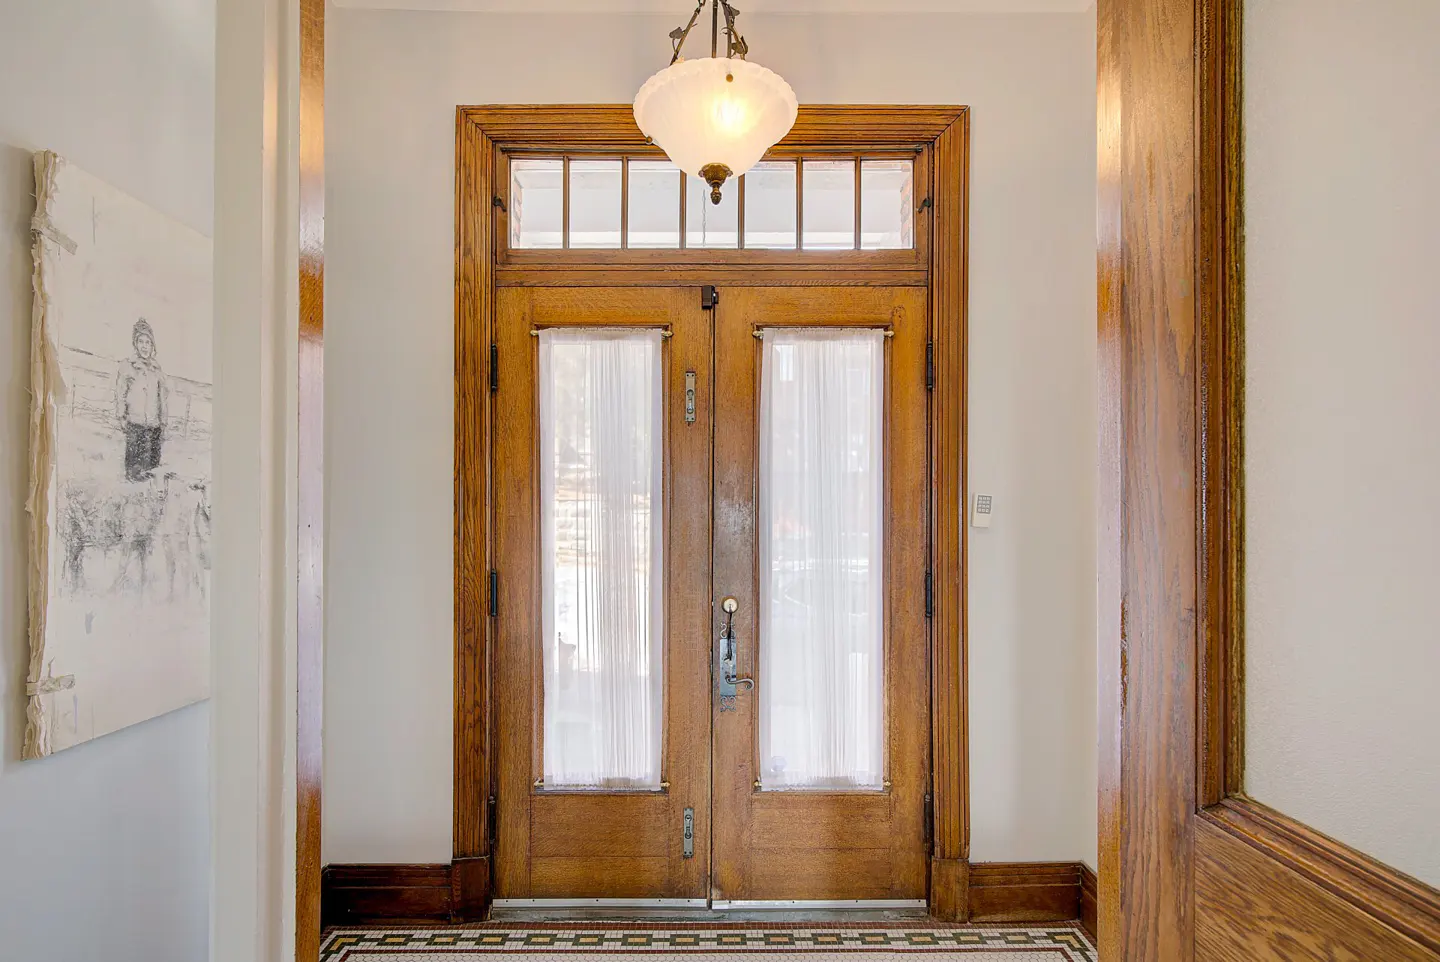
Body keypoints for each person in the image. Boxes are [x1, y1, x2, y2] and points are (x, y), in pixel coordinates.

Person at [114, 318, 168, 481]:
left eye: (148, 343)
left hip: (153, 425)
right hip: (135, 423)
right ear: (135, 344)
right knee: (134, 469)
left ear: (153, 346)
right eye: (141, 342)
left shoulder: (157, 371)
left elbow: (162, 398)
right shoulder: (127, 366)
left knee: (151, 469)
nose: (145, 346)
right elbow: (120, 394)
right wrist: (121, 416)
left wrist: (163, 422)